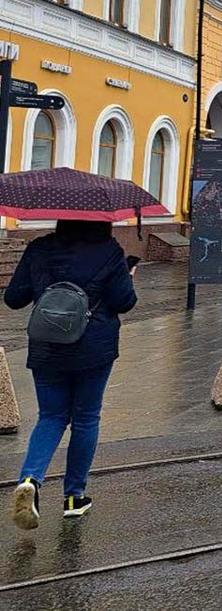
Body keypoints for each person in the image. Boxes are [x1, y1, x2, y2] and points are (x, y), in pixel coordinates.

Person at [6, 220, 138, 530]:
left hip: (47, 347)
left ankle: (30, 479)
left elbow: (13, 298)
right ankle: (73, 498)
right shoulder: (109, 250)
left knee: (50, 416)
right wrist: (127, 275)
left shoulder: (39, 248)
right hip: (94, 348)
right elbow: (124, 302)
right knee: (86, 418)